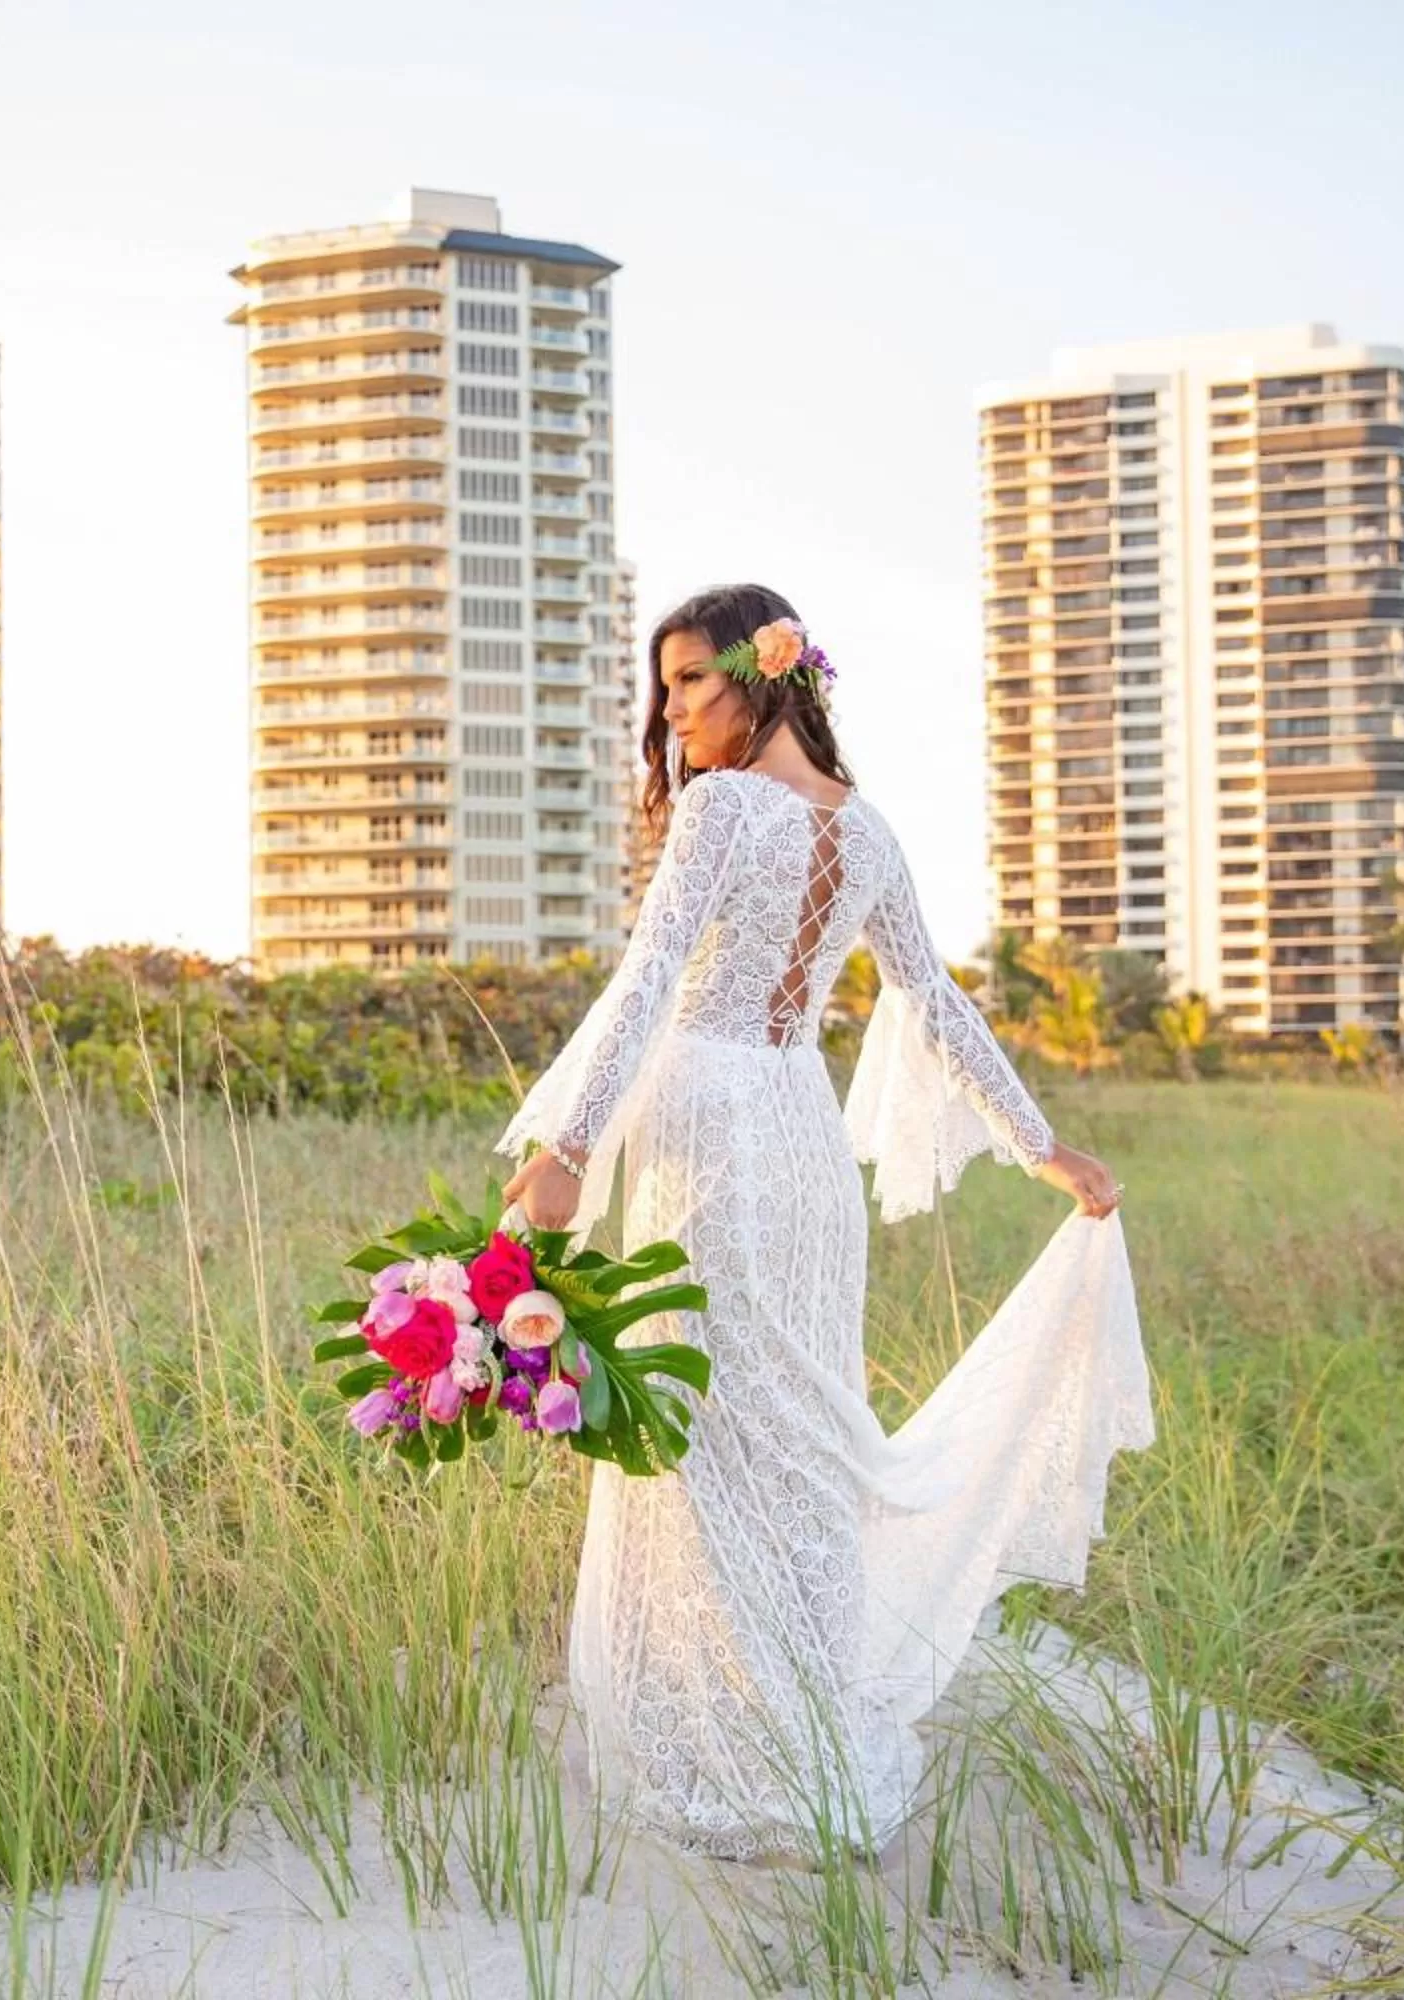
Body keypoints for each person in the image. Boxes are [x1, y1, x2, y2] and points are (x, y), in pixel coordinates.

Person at [495, 582, 1156, 1860]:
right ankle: (790, 1712)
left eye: (690, 679)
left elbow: (646, 979)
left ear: (764, 674)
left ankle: (731, 1736)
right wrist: (1042, 1145)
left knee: (706, 1424)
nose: (669, 710)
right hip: (799, 1131)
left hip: (709, 1121)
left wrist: (573, 1143)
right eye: (666, 685)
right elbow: (940, 1005)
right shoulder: (873, 834)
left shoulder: (720, 807)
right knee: (791, 1428)